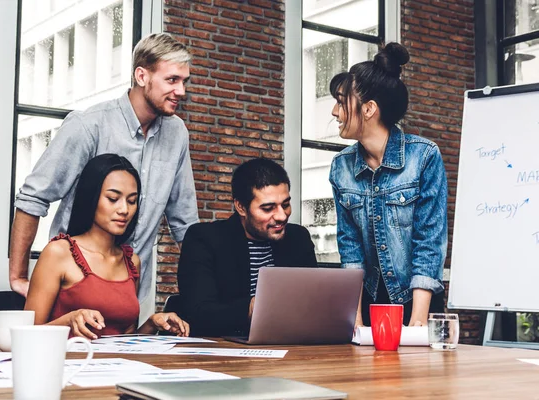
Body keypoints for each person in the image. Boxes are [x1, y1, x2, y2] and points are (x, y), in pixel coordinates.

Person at [10, 33, 199, 317]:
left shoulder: (177, 134)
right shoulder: (89, 125)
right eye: (172, 80)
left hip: (129, 294)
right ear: (142, 75)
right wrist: (19, 276)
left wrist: (204, 297)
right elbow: (33, 198)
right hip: (71, 291)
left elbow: (184, 223)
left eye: (185, 81)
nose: (181, 91)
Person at [328, 42, 447, 327]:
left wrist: (417, 322)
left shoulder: (424, 156)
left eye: (341, 101)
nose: (334, 111)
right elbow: (350, 248)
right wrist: (355, 321)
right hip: (370, 302)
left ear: (369, 108)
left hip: (417, 301)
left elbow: (429, 242)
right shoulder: (341, 166)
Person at [25, 154, 189, 339]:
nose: (124, 210)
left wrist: (152, 324)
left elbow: (124, 340)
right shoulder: (59, 253)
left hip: (113, 366)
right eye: (113, 199)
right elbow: (26, 335)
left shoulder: (131, 262)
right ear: (91, 197)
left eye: (132, 201)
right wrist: (68, 321)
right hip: (68, 364)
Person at [177, 158, 317, 337]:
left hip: (291, 345)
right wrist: (251, 308)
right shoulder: (204, 239)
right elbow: (197, 313)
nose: (282, 216)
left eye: (286, 205)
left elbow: (312, 304)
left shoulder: (298, 238)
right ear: (241, 207)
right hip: (224, 351)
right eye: (268, 208)